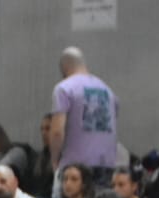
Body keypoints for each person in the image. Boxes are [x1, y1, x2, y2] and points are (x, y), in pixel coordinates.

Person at [48, 47, 120, 183]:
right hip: (107, 165)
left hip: (75, 168)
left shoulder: (64, 88)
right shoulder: (108, 91)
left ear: (64, 68)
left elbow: (57, 131)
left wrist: (54, 160)